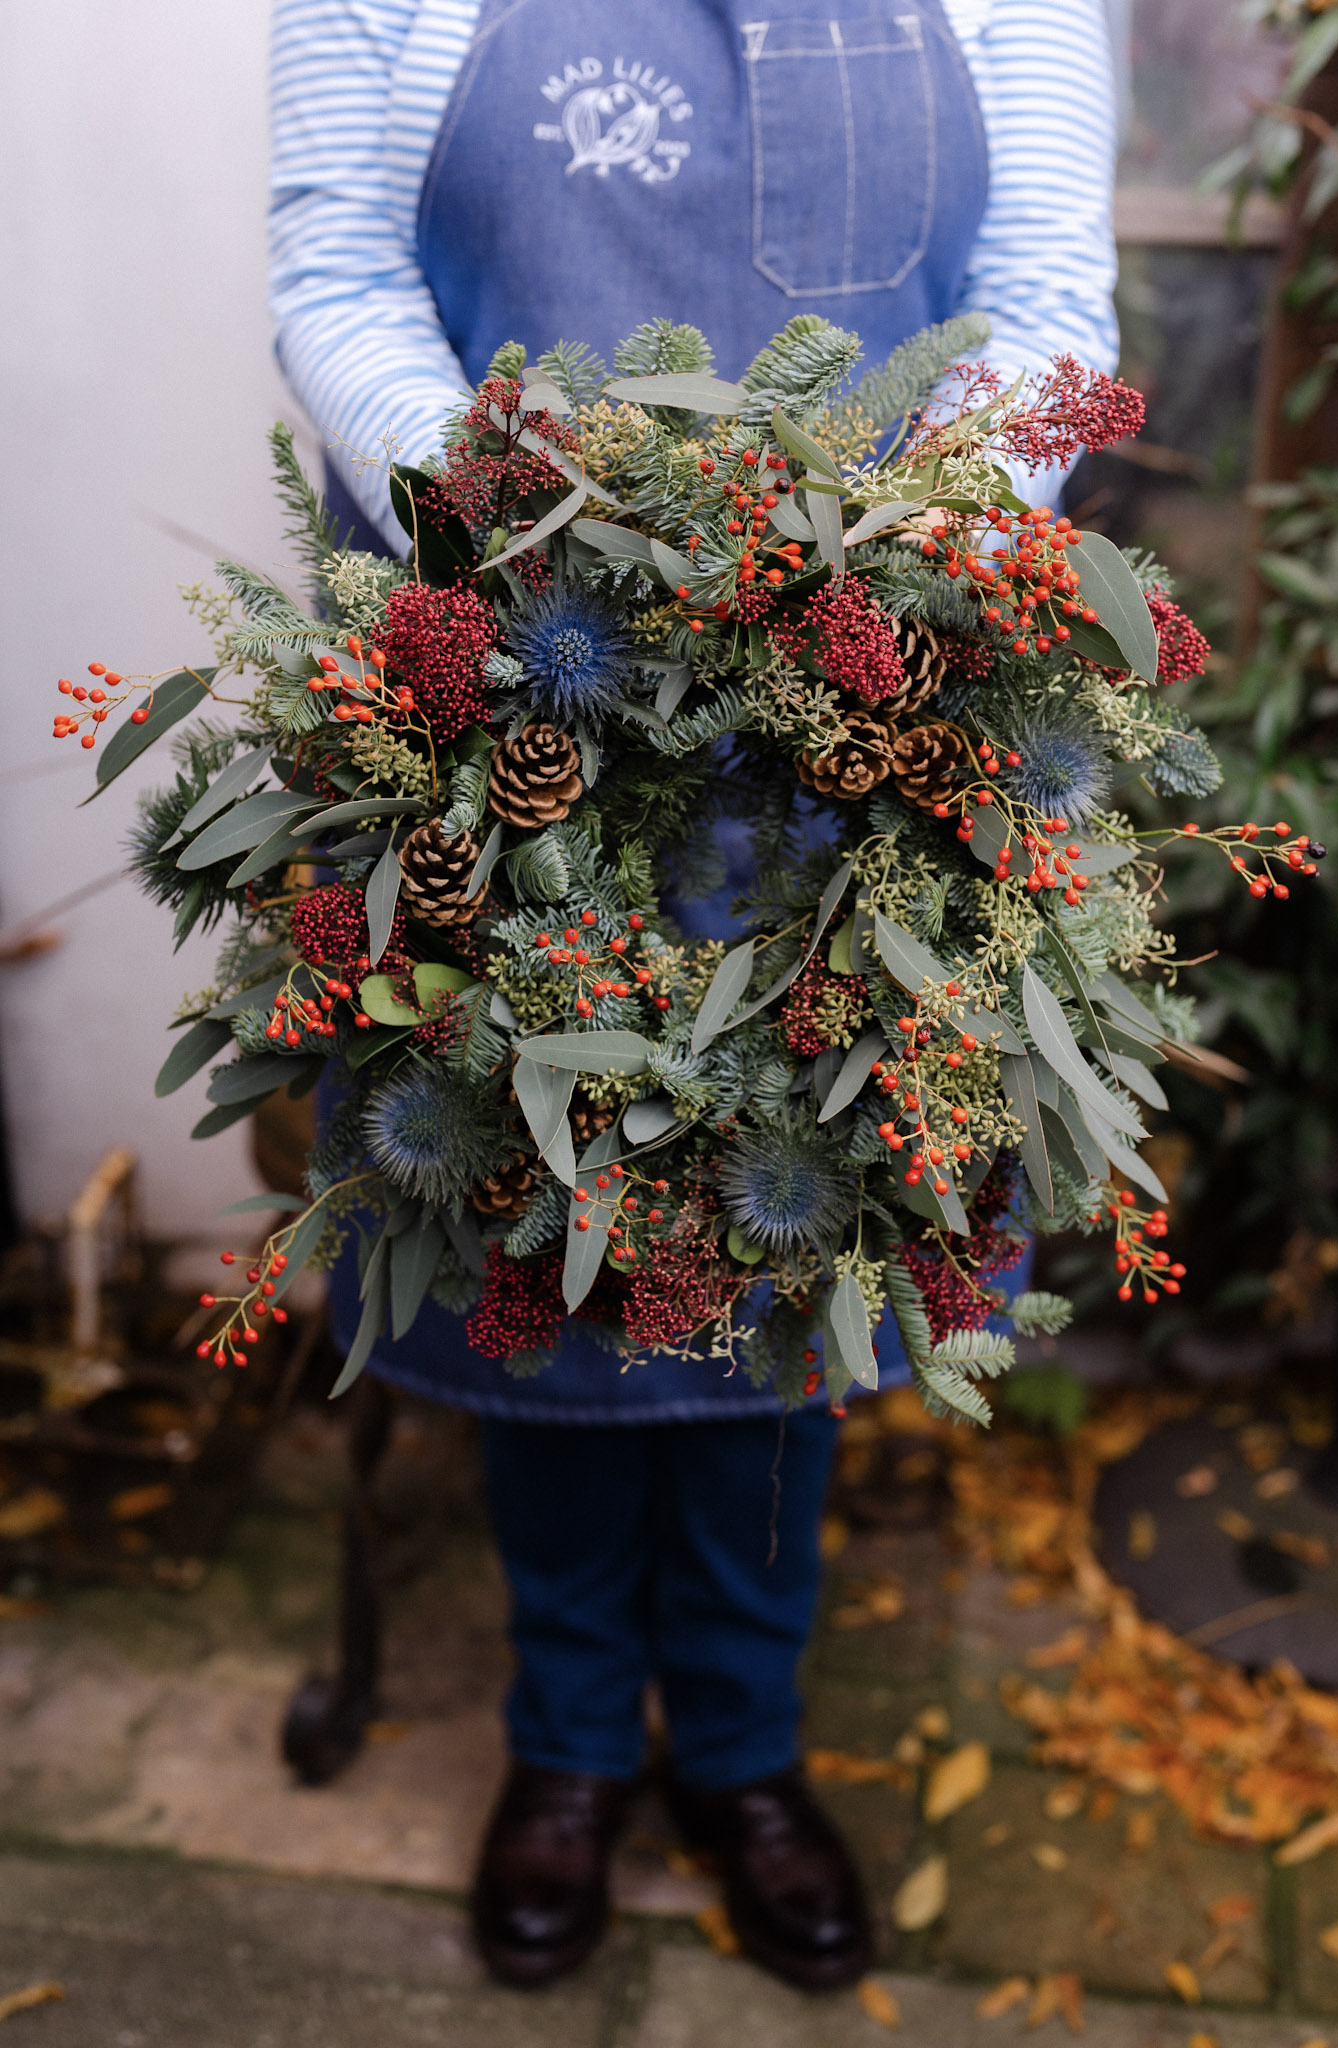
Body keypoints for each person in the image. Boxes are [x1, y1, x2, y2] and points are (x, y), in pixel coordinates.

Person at [268, 0, 1119, 1991]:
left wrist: (888, 578)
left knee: (780, 1248)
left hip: (860, 720)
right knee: (539, 1248)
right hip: (494, 697)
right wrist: (536, 551)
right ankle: (566, 1743)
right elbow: (333, 264)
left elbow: (1041, 297)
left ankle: (738, 1750)